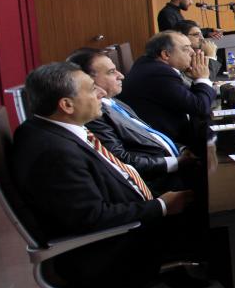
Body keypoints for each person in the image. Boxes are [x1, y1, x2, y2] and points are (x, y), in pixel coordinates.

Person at [9, 63, 198, 288]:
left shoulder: (53, 129)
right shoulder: (54, 153)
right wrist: (161, 206)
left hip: (128, 216)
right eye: (91, 89)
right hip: (108, 251)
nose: (101, 92)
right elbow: (92, 217)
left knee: (203, 189)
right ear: (66, 105)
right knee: (225, 220)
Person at [68, 48, 187, 192]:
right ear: (87, 79)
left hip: (173, 166)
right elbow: (121, 161)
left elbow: (151, 136)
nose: (121, 76)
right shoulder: (93, 116)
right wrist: (178, 162)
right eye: (111, 72)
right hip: (157, 184)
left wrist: (183, 149)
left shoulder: (115, 101)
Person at [117, 31, 216, 147]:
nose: (193, 52)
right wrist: (202, 78)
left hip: (167, 136)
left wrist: (196, 80)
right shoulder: (159, 73)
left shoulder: (148, 64)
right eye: (186, 49)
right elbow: (200, 107)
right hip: (170, 145)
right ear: (165, 55)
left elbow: (190, 99)